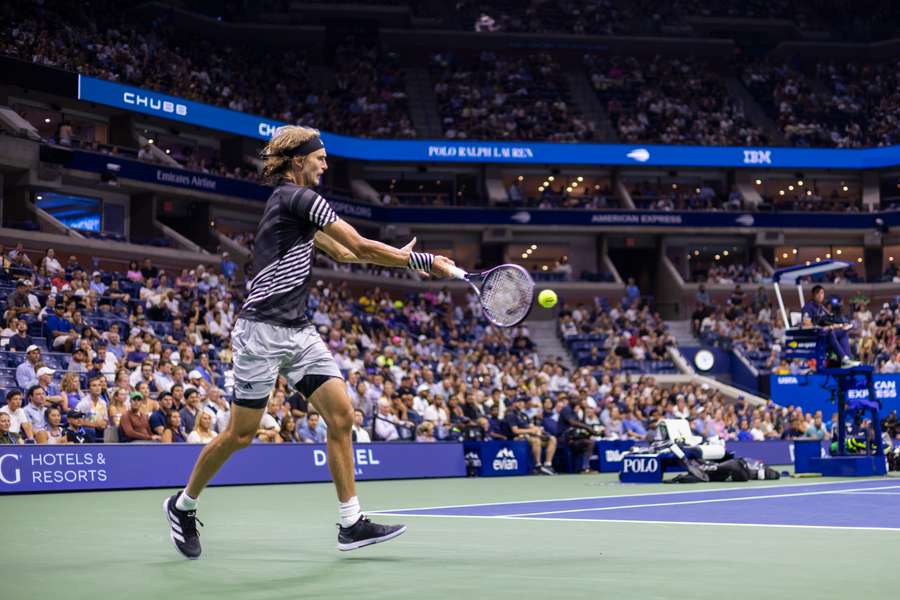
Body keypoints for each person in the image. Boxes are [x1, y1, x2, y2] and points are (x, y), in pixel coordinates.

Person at [163, 126, 457, 558]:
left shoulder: (295, 208)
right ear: (298, 161)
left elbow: (343, 253)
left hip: (299, 332)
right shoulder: (297, 198)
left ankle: (351, 523)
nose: (324, 164)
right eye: (319, 158)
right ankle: (182, 504)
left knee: (341, 416)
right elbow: (357, 242)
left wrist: (406, 262)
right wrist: (420, 260)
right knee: (240, 434)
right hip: (261, 331)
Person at [801, 285, 859, 368]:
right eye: (818, 293)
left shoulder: (821, 308)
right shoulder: (808, 307)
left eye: (822, 293)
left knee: (843, 332)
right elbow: (807, 325)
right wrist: (824, 328)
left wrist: (840, 325)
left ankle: (847, 360)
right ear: (813, 295)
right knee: (830, 332)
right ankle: (844, 359)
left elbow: (829, 320)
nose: (820, 295)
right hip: (815, 336)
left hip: (825, 334)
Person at [505, 396, 556, 475]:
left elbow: (530, 425)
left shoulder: (523, 415)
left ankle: (547, 465)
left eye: (522, 402)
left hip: (529, 436)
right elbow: (515, 431)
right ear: (514, 404)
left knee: (552, 439)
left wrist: (538, 430)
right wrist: (531, 431)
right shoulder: (511, 414)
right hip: (516, 438)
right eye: (518, 402)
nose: (521, 404)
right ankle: (538, 466)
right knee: (536, 440)